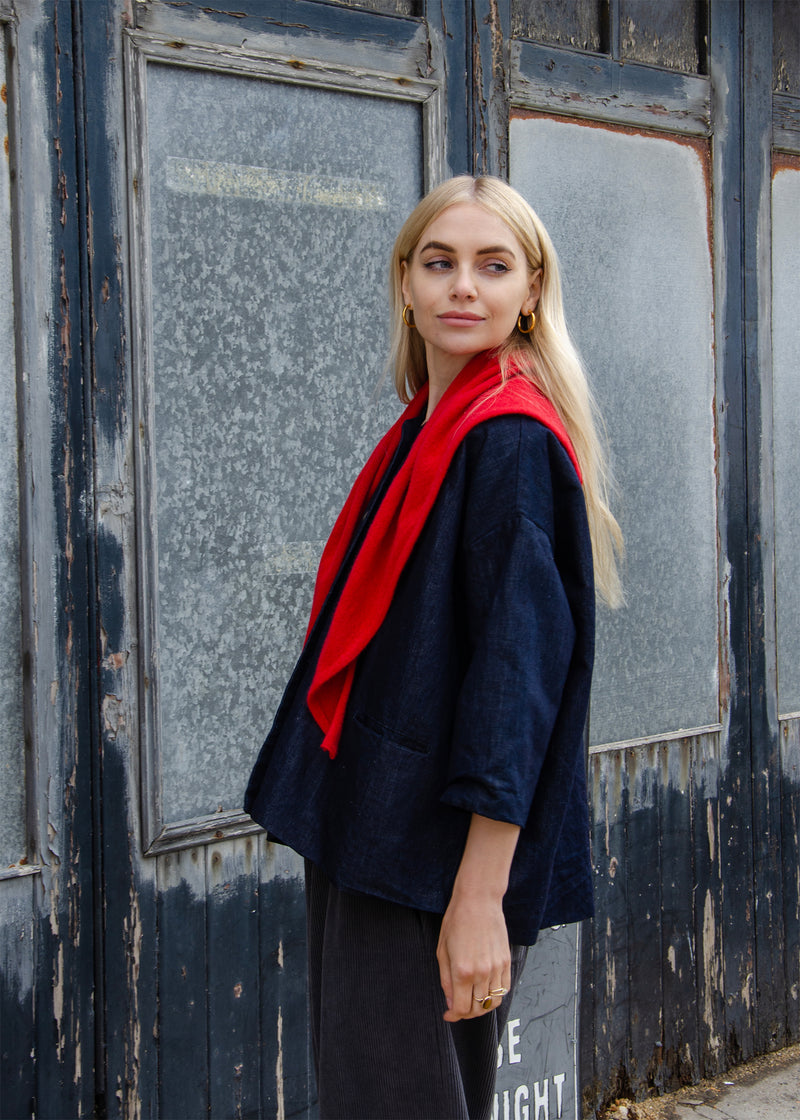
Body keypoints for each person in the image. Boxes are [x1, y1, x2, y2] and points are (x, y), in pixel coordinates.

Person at [244, 175, 623, 1120]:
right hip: (374, 827)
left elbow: (516, 687)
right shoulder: (424, 429)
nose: (464, 287)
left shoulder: (508, 445)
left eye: (493, 266)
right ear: (405, 283)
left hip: (434, 859)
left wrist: (478, 901)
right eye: (439, 262)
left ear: (531, 290)